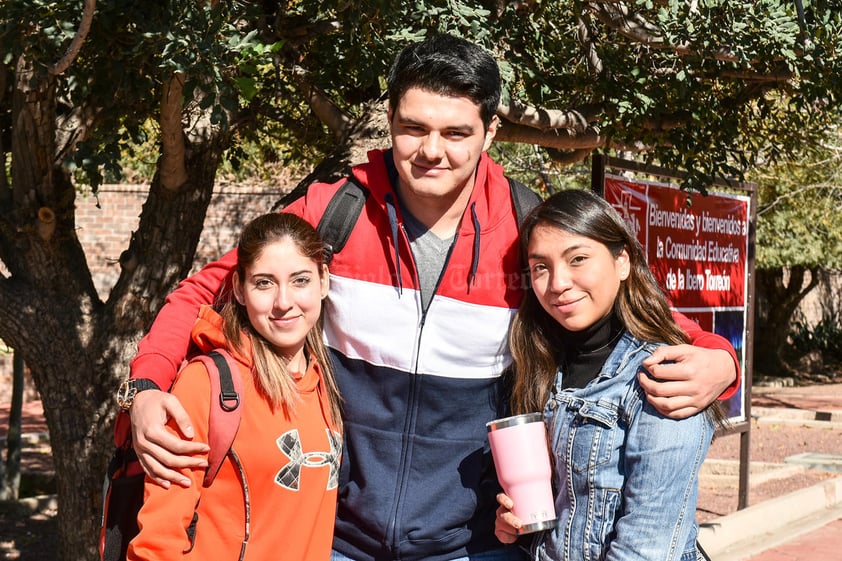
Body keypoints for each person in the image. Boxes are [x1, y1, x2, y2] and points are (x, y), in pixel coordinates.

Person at [123, 34, 739, 561]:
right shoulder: (332, 210)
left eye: (455, 131)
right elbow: (207, 287)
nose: (432, 150)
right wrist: (148, 388)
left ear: (491, 131)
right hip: (338, 539)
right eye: (413, 128)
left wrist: (722, 362)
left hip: (475, 546)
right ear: (390, 121)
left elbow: (641, 314)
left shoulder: (526, 228)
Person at [494, 189, 723, 560]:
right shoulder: (539, 367)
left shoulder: (663, 377)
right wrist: (516, 526)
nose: (558, 283)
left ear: (622, 262)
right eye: (541, 267)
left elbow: (646, 548)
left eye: (578, 259)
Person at [126, 213, 343, 561]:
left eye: (300, 280)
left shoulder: (326, 383)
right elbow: (157, 542)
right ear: (240, 290)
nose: (283, 302)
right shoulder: (207, 384)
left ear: (324, 281)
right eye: (264, 283)